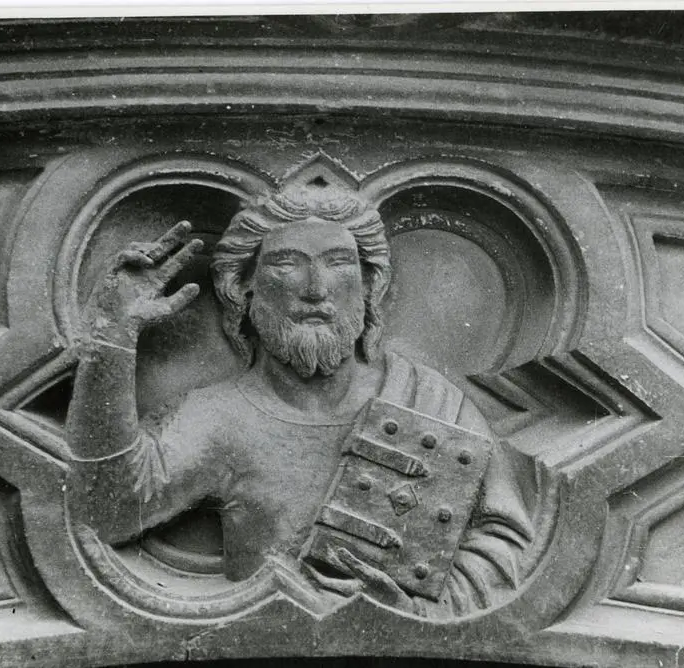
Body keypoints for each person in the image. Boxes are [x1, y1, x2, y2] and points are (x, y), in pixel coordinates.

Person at [66, 185, 533, 618]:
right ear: (242, 287)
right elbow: (109, 514)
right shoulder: (219, 417)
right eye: (286, 263)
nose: (315, 289)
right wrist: (112, 339)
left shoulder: (428, 401)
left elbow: (503, 540)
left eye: (338, 263)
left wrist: (412, 613)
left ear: (370, 285)